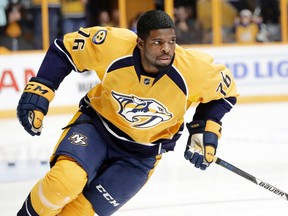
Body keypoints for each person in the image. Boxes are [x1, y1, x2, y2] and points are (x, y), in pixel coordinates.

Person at [16, 9, 238, 216]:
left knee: (79, 212)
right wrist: (42, 89)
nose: (167, 49)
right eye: (158, 42)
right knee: (64, 182)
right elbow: (65, 50)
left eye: (172, 41)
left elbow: (226, 93)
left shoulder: (193, 69)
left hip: (142, 156)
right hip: (97, 128)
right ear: (140, 42)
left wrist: (204, 127)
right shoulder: (113, 45)